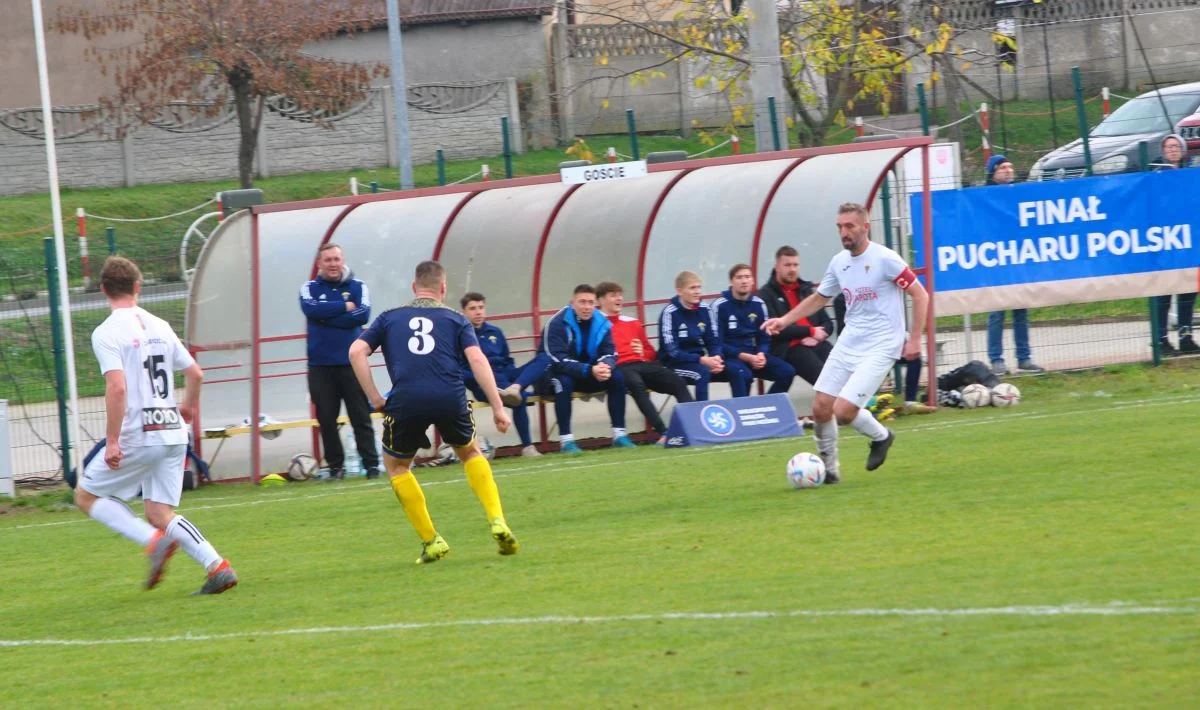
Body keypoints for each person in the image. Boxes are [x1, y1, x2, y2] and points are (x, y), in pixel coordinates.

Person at [75, 256, 237, 595]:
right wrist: (188, 407)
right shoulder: (160, 324)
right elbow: (195, 373)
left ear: (103, 289)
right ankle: (217, 567)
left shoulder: (106, 332)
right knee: (159, 510)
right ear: (138, 287)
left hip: (140, 433)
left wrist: (113, 440)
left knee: (86, 495)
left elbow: (117, 387)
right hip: (173, 431)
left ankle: (153, 543)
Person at [349, 261, 518, 565]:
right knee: (470, 453)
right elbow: (477, 359)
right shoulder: (455, 319)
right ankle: (497, 520)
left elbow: (355, 352)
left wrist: (374, 397)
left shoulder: (389, 318)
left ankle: (432, 541)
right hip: (449, 396)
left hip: (406, 398)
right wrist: (497, 406)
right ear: (443, 288)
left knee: (398, 467)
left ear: (414, 288)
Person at [764, 202, 930, 484]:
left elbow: (921, 295)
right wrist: (785, 320)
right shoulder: (839, 262)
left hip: (881, 344)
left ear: (866, 227)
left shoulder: (886, 259)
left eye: (850, 226)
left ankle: (882, 436)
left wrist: (914, 339)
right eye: (840, 227)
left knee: (843, 411)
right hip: (851, 341)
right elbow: (819, 298)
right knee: (820, 407)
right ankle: (829, 471)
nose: (844, 232)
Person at [299, 243, 380, 479]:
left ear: (342, 261)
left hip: (352, 365)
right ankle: (336, 467)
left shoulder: (357, 286)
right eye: (328, 260)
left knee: (360, 417)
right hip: (320, 366)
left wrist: (326, 318)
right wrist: (345, 307)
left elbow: (363, 314)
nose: (333, 264)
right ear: (319, 264)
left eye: (336, 259)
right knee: (326, 419)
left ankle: (372, 465)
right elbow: (310, 309)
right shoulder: (309, 287)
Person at [595, 281, 694, 443]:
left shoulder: (632, 322)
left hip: (642, 364)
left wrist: (642, 351)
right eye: (613, 295)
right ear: (600, 301)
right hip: (619, 366)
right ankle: (664, 433)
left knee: (677, 381)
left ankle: (692, 426)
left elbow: (651, 353)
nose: (619, 299)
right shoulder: (595, 324)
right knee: (636, 384)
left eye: (620, 295)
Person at [540, 284, 633, 454]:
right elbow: (556, 360)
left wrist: (605, 366)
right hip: (553, 374)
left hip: (589, 373)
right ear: (572, 302)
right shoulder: (557, 323)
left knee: (617, 377)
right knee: (563, 382)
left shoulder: (601, 321)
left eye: (590, 302)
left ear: (595, 303)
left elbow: (610, 351)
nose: (586, 307)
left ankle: (619, 435)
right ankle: (566, 441)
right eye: (582, 302)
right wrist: (590, 370)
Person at [459, 292, 550, 456]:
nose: (478, 312)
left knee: (544, 359)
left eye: (481, 307)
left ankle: (516, 387)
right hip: (485, 383)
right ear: (464, 312)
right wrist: (478, 380)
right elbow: (462, 372)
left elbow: (507, 359)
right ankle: (528, 447)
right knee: (519, 398)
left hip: (507, 377)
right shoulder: (460, 335)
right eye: (473, 308)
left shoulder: (495, 331)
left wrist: (512, 379)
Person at [983, 155, 1045, 376]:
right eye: (1002, 167)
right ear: (993, 173)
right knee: (997, 312)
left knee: (1021, 310)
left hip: (1019, 261)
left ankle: (1024, 358)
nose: (1008, 170)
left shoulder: (1020, 194)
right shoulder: (982, 198)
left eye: (1010, 166)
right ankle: (996, 359)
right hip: (997, 263)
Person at [659, 270, 751, 401]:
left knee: (737, 370)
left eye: (699, 287)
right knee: (702, 373)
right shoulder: (669, 313)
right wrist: (702, 360)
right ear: (679, 291)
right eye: (692, 288)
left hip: (701, 360)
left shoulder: (705, 309)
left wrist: (716, 358)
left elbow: (713, 340)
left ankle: (741, 412)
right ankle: (702, 416)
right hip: (675, 364)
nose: (697, 291)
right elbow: (672, 352)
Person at [712, 264, 796, 395]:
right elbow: (717, 343)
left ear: (752, 281)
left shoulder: (758, 304)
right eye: (739, 277)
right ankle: (742, 413)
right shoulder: (720, 305)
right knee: (743, 375)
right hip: (730, 357)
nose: (744, 281)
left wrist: (761, 353)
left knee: (787, 372)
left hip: (754, 355)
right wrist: (746, 357)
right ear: (731, 281)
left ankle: (766, 407)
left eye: (747, 277)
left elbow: (764, 336)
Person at [757, 246, 834, 387]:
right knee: (827, 383)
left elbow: (828, 323)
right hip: (790, 347)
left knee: (844, 373)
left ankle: (857, 407)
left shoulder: (806, 290)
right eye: (787, 265)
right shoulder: (765, 294)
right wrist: (810, 331)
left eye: (795, 265)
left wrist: (816, 336)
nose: (792, 269)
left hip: (816, 342)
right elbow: (776, 331)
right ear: (777, 267)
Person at [1151, 135, 1198, 354]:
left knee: (1188, 292)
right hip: (1165, 245)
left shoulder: (1191, 175)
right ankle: (1160, 339)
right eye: (1168, 146)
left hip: (1187, 246)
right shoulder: (1156, 176)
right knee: (1163, 293)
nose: (1172, 150)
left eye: (1176, 146)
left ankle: (1185, 337)